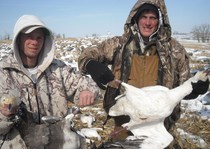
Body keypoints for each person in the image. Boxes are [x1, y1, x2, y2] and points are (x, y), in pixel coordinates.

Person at [78, 0, 209, 148]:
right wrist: (91, 64)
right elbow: (85, 55)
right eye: (144, 17)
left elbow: (184, 86)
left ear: (160, 21)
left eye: (153, 18)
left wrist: (196, 88)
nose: (148, 22)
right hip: (125, 124)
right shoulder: (119, 45)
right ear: (136, 18)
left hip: (160, 127)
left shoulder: (174, 50)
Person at [0, 14, 100, 148]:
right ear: (18, 39)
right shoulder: (3, 73)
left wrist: (87, 91)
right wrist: (5, 116)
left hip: (59, 142)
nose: (34, 42)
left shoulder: (58, 69)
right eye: (29, 36)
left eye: (39, 37)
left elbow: (87, 84)